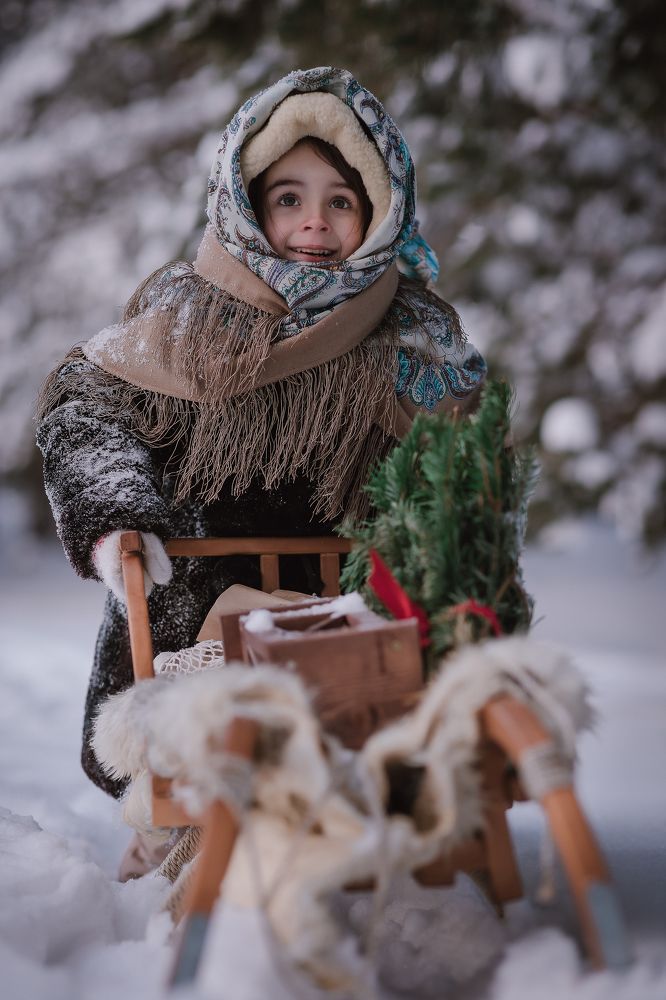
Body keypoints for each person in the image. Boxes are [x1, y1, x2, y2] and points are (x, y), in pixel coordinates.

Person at [36, 67, 486, 808]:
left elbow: (456, 463)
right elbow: (87, 414)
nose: (315, 222)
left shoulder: (413, 340)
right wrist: (115, 514)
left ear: (379, 215)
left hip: (350, 614)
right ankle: (192, 830)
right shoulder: (187, 325)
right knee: (212, 734)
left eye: (341, 201)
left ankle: (370, 814)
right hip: (199, 612)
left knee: (374, 703)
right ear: (243, 205)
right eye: (288, 199)